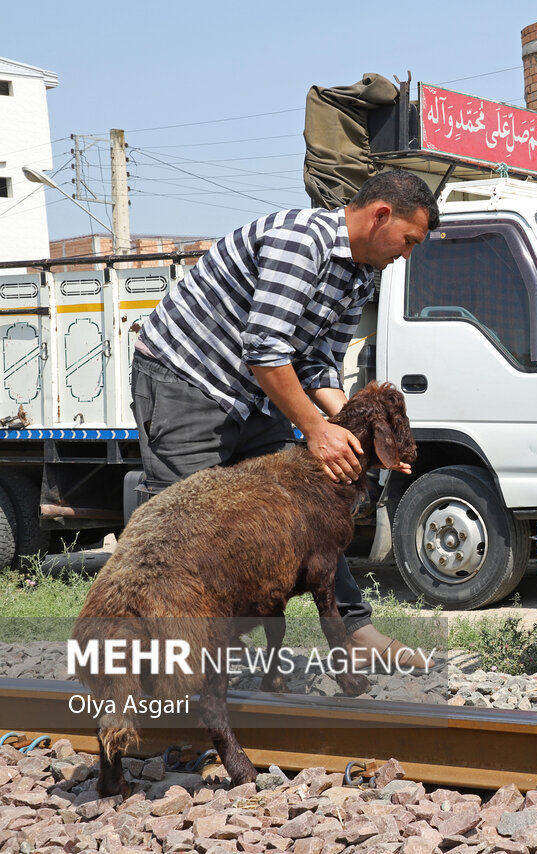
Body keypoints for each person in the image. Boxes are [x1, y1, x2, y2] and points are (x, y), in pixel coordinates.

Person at [131, 169, 439, 671]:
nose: (407, 255)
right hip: (186, 381)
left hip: (255, 396)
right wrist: (316, 431)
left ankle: (355, 630)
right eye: (409, 241)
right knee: (186, 532)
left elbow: (317, 366)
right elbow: (266, 349)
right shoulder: (302, 242)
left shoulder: (361, 275)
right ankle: (166, 664)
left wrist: (360, 434)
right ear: (381, 215)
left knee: (309, 507)